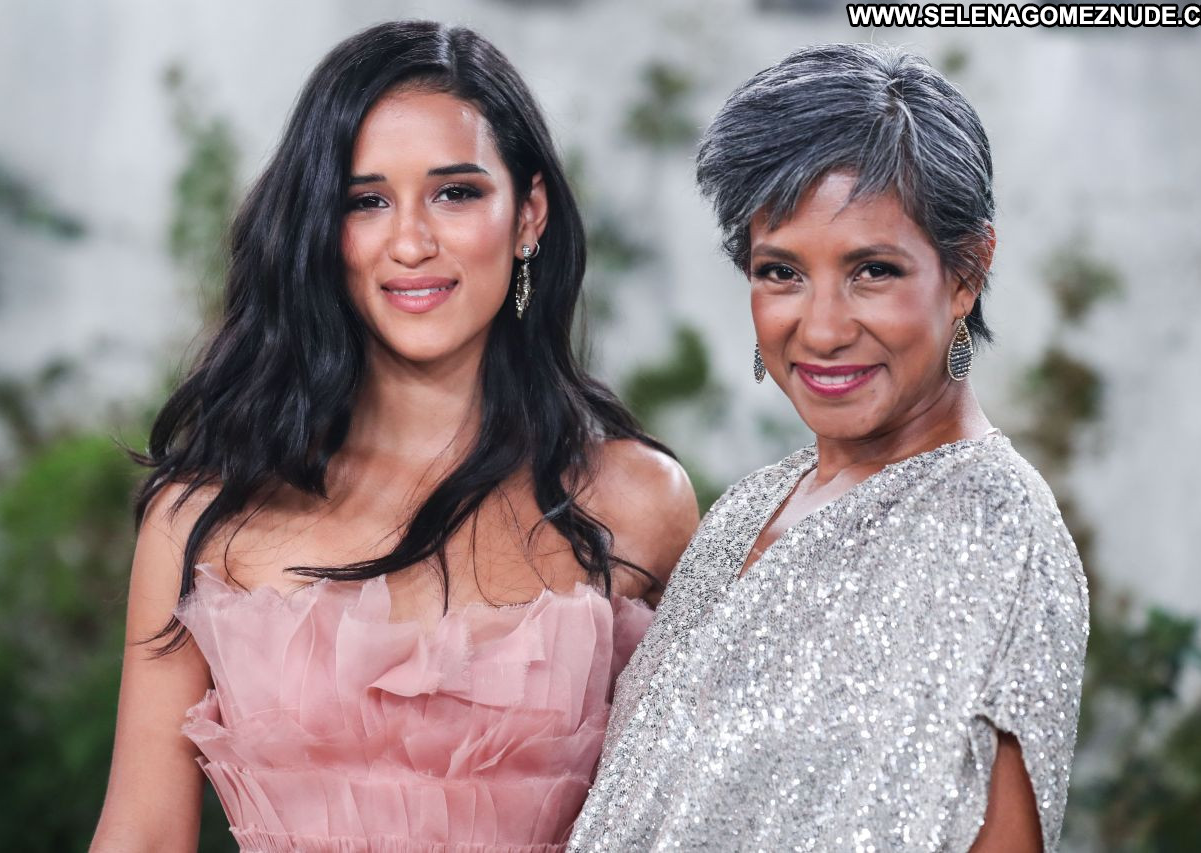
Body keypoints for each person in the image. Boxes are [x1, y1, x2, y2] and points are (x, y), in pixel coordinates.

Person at [91, 21, 699, 853]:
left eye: (456, 193)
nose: (411, 242)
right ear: (321, 225)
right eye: (366, 201)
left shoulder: (640, 503)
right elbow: (142, 836)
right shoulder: (205, 515)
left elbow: (693, 820)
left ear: (529, 215)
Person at [571, 44, 1089, 853]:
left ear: (965, 272)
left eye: (872, 270)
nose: (820, 328)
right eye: (781, 272)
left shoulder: (995, 529)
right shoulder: (746, 509)